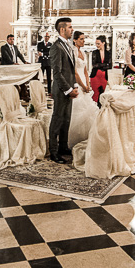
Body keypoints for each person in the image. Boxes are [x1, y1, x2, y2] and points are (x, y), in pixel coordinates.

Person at [48, 18, 78, 163]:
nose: (72, 30)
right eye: (70, 27)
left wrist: (75, 86)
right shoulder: (56, 47)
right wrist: (67, 89)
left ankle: (63, 147)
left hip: (69, 88)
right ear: (62, 30)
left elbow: (71, 70)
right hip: (61, 90)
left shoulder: (68, 45)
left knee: (66, 119)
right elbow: (57, 73)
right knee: (57, 119)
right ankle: (53, 151)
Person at [68, 31, 98, 147]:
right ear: (75, 40)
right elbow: (75, 72)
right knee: (78, 109)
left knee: (88, 108)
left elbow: (85, 70)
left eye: (84, 39)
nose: (83, 41)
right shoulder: (73, 52)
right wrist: (82, 85)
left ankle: (87, 136)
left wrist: (88, 83)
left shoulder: (83, 53)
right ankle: (74, 138)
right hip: (77, 83)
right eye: (81, 39)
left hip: (84, 82)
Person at [89, 35, 111, 103]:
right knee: (95, 95)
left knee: (102, 95)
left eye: (98, 43)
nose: (97, 45)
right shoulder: (94, 52)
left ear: (103, 43)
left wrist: (100, 65)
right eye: (96, 43)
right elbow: (94, 65)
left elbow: (109, 65)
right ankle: (94, 111)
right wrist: (104, 65)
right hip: (95, 76)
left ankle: (100, 111)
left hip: (104, 76)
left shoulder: (108, 53)